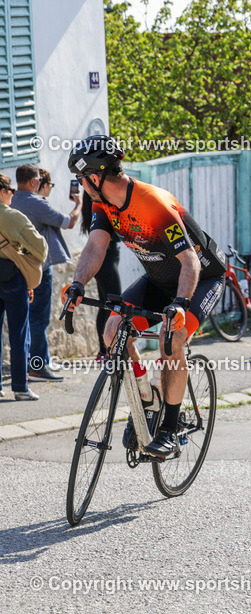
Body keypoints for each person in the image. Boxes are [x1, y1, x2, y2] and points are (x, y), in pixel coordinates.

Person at [63, 135, 227, 458]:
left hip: (201, 278)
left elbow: (190, 261)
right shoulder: (103, 204)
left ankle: (169, 429)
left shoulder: (153, 203)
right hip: (159, 279)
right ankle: (148, 400)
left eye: (81, 178)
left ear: (95, 177)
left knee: (171, 338)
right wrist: (78, 283)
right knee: (113, 332)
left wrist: (180, 305)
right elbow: (95, 247)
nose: (80, 185)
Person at [11, 164, 82, 381]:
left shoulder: (11, 201)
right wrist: (79, 203)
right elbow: (69, 222)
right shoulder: (36, 203)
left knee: (25, 318)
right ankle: (37, 366)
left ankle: (40, 361)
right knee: (39, 318)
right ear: (34, 182)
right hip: (38, 268)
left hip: (16, 267)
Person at [0, 173, 47, 400]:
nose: (12, 194)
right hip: (11, 279)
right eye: (11, 191)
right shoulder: (12, 216)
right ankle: (20, 387)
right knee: (19, 334)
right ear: (2, 191)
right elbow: (41, 249)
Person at [78, 192, 122, 359]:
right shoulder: (101, 207)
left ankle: (103, 351)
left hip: (109, 258)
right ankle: (108, 351)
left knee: (106, 305)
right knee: (114, 304)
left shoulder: (97, 208)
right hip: (106, 259)